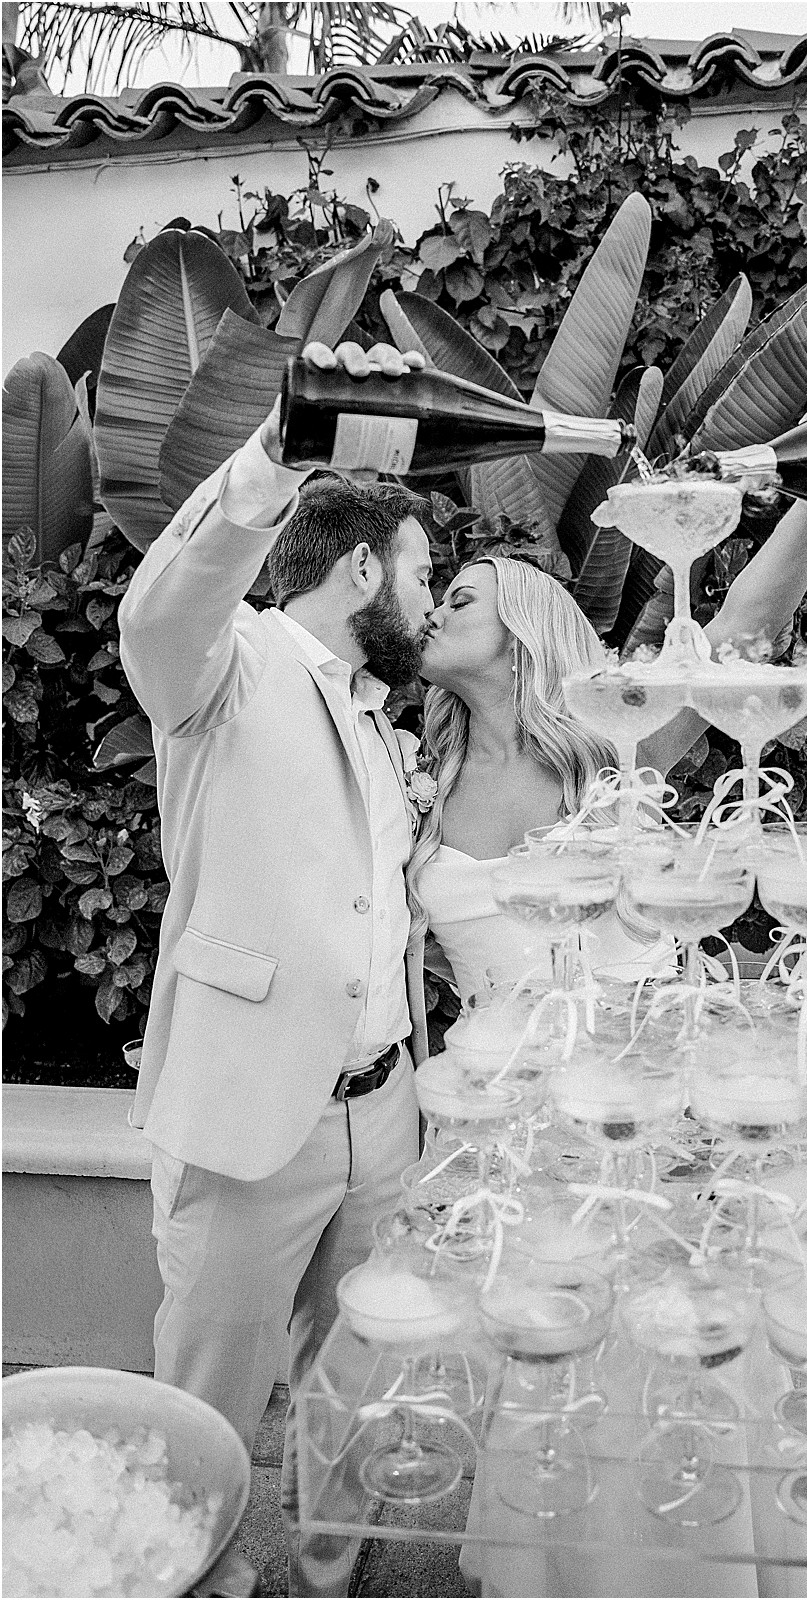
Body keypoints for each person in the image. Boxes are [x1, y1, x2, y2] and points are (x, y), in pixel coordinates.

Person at [117, 339, 433, 1599]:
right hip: (255, 1118)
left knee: (352, 1393)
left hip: (382, 1110)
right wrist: (281, 452)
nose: (429, 599)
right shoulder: (225, 668)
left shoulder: (373, 708)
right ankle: (166, 1576)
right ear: (359, 566)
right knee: (205, 1405)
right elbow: (161, 610)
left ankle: (322, 1581)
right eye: (424, 575)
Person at [407, 481, 807, 1002]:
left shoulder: (615, 747)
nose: (433, 615)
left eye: (461, 601)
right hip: (498, 1066)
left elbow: (746, 628)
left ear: (526, 628)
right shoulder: (416, 780)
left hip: (638, 1057)